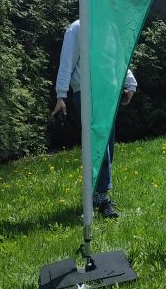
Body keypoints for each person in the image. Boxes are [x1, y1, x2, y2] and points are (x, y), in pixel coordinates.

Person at [51, 19, 137, 218]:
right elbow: (67, 61)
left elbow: (118, 59)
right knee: (99, 144)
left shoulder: (110, 25)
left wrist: (130, 84)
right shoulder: (77, 28)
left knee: (107, 145)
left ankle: (97, 193)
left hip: (109, 92)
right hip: (87, 93)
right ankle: (101, 198)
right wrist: (61, 94)